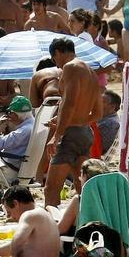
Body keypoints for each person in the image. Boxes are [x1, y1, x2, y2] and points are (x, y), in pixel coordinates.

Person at [43, 37, 102, 206]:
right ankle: (83, 223)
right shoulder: (90, 71)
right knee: (82, 185)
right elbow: (98, 112)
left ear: (58, 53)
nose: (56, 65)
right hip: (85, 133)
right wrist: (71, 120)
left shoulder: (70, 68)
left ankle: (50, 229)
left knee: (51, 188)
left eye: (54, 60)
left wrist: (58, 134)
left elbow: (69, 103)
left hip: (70, 135)